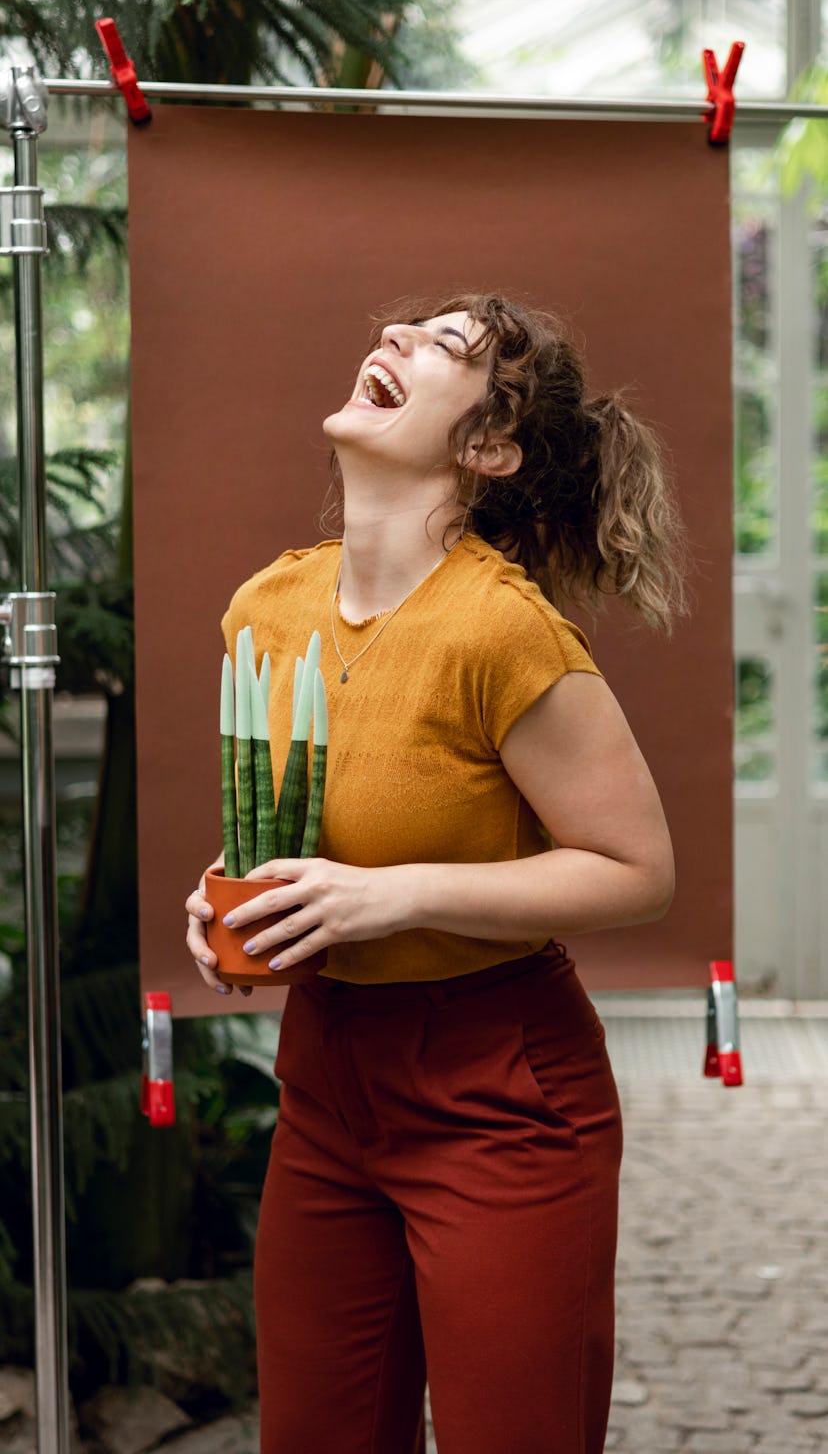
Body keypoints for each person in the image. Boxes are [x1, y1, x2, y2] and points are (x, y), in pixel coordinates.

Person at [184, 293, 685, 1454]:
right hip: (324, 1081)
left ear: (488, 448)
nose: (395, 339)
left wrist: (392, 895)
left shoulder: (501, 629)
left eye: (444, 346)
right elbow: (303, 822)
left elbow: (636, 869)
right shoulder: (267, 607)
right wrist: (229, 891)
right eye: (404, 327)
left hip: (500, 1093)